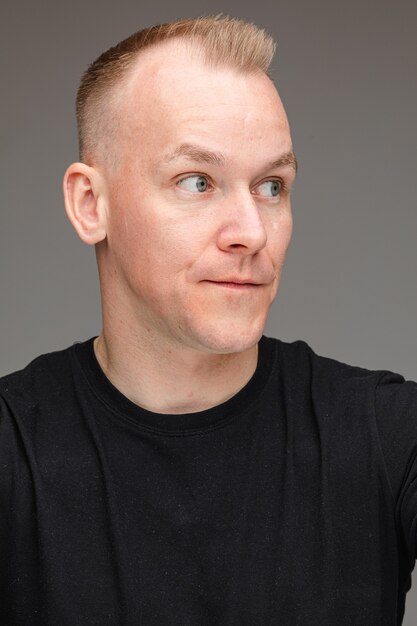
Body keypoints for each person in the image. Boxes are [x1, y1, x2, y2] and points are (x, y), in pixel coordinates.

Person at [0, 15, 416, 626]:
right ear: (92, 204)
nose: (252, 232)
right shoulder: (13, 450)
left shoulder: (386, 435)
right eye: (197, 181)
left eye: (272, 185)